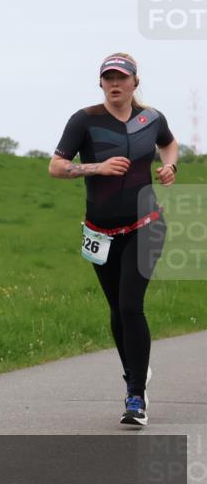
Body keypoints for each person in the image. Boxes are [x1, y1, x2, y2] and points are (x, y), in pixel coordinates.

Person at [49, 52, 178, 426]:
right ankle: (135, 374)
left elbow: (169, 144)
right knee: (116, 310)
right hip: (100, 233)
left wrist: (170, 166)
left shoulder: (152, 119)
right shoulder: (84, 120)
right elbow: (55, 166)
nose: (115, 84)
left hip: (146, 225)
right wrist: (96, 167)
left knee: (130, 306)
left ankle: (135, 396)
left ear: (135, 82)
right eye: (108, 78)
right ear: (100, 83)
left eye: (121, 77)